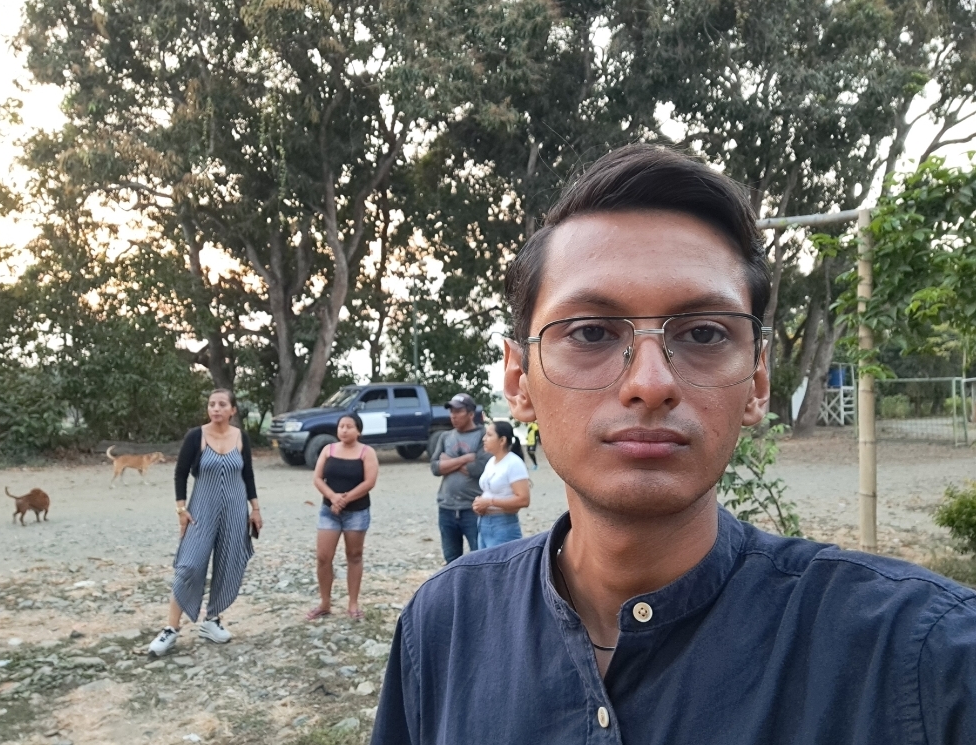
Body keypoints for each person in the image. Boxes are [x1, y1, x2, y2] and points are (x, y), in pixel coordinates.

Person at [372, 145, 976, 744]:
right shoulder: (444, 625)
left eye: (704, 334)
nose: (651, 384)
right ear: (517, 381)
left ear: (757, 381)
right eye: (590, 332)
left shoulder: (924, 661)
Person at [149, 389, 263, 655]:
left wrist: (255, 509)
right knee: (189, 565)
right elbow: (180, 474)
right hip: (201, 509)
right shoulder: (196, 436)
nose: (216, 409)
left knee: (228, 562)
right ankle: (170, 629)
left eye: (222, 404)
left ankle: (212, 620)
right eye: (212, 404)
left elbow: (248, 475)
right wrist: (181, 509)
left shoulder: (240, 437)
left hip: (235, 509)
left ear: (233, 410)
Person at [305, 413, 379, 621]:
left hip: (357, 512)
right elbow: (317, 478)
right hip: (329, 512)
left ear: (358, 430)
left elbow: (369, 482)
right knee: (323, 557)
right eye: (341, 426)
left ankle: (353, 603)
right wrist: (333, 497)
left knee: (354, 556)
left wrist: (344, 500)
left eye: (349, 426)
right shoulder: (328, 450)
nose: (344, 430)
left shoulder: (367, 452)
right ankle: (325, 603)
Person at [430, 392, 492, 563]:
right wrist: (465, 459)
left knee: (479, 557)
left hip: (473, 508)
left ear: (471, 414)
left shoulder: (483, 435)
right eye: (451, 411)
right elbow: (435, 467)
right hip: (446, 507)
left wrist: (448, 463)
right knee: (451, 559)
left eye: (458, 411)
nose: (453, 415)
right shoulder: (445, 437)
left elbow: (480, 468)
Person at [472, 420, 531, 549]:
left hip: (503, 525)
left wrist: (490, 502)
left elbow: (523, 499)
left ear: (502, 440)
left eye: (489, 435)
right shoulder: (491, 462)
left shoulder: (514, 463)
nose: (484, 439)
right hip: (484, 523)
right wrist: (480, 504)